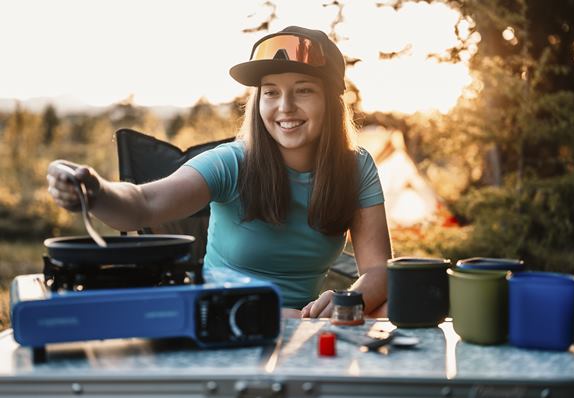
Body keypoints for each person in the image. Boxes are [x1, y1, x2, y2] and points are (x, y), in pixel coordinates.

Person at [47, 26, 392, 318]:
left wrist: (351, 299)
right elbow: (142, 204)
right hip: (221, 317)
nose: (285, 107)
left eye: (303, 90)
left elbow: (378, 270)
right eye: (271, 93)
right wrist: (95, 192)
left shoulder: (355, 167)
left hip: (303, 327)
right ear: (258, 102)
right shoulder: (232, 162)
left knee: (387, 307)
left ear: (331, 101)